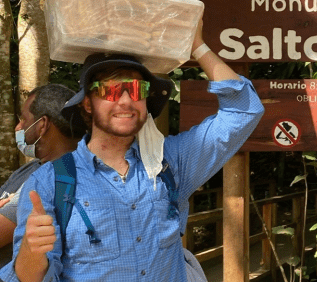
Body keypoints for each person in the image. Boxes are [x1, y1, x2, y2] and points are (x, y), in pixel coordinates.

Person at [0, 18, 265, 282]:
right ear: (88, 104)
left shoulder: (169, 164)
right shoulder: (50, 183)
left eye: (137, 89)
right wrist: (31, 250)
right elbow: (27, 278)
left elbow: (244, 110)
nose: (126, 100)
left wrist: (196, 44)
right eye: (111, 90)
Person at [0, 84, 87, 268]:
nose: (18, 127)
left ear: (42, 125)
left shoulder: (50, 181)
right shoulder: (31, 168)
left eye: (24, 119)